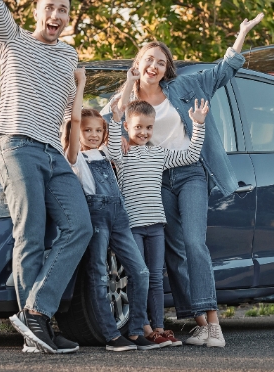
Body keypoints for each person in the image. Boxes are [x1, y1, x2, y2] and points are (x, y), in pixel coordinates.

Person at [109, 13, 263, 348]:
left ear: (167, 70)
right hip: (154, 182)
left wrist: (241, 33)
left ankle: (214, 325)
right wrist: (125, 85)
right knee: (174, 253)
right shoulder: (124, 102)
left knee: (194, 243)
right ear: (137, 63)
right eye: (149, 60)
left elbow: (222, 73)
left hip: (190, 172)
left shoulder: (182, 88)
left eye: (161, 62)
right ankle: (199, 324)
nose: (155, 66)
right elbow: (108, 123)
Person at [0, 0, 92, 354]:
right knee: (29, 231)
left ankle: (36, 314)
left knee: (80, 226)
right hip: (16, 145)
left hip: (53, 152)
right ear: (37, 11)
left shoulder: (68, 56)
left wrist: (73, 139)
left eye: (63, 10)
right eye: (50, 7)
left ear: (67, 18)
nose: (56, 14)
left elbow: (68, 110)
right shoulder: (13, 40)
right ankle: (37, 328)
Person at [61, 71, 164, 352]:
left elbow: (118, 114)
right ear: (77, 132)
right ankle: (110, 335)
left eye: (97, 130)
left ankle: (134, 330)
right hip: (96, 218)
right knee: (98, 274)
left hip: (120, 216)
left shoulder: (107, 152)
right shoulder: (76, 158)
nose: (93, 135)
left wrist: (130, 82)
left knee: (140, 272)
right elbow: (75, 125)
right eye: (87, 130)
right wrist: (79, 86)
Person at [107, 98, 209, 347]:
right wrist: (115, 120)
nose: (143, 132)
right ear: (128, 127)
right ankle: (142, 327)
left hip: (156, 226)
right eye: (138, 127)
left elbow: (191, 155)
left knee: (155, 277)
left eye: (148, 127)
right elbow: (109, 147)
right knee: (138, 276)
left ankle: (159, 328)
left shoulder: (159, 154)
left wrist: (198, 125)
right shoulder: (122, 152)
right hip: (132, 227)